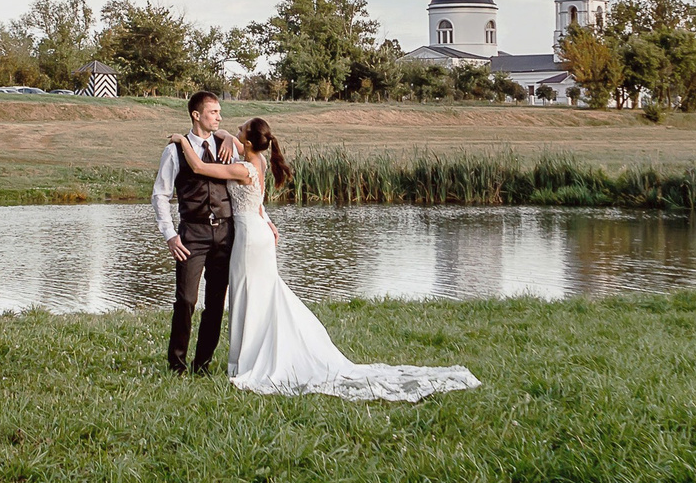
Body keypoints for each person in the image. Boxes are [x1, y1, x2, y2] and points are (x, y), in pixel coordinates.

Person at [167, 118, 480, 403]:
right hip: (257, 231)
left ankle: (250, 362)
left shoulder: (243, 168)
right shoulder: (257, 158)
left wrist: (182, 141)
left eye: (240, 131)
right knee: (257, 295)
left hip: (250, 239)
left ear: (247, 142)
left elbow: (199, 167)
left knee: (249, 294)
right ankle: (247, 357)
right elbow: (223, 135)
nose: (234, 132)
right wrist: (220, 135)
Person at [148, 89, 237, 372]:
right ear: (196, 115)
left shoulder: (226, 145)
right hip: (192, 235)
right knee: (186, 299)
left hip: (225, 233)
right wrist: (170, 235)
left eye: (219, 112)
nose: (219, 117)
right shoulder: (175, 150)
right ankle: (177, 364)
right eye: (213, 112)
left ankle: (203, 364)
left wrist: (231, 137)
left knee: (215, 303)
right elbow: (160, 195)